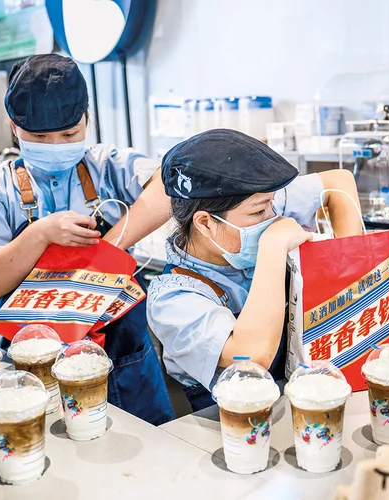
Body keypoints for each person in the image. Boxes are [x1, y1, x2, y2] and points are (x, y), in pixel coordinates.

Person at [0, 54, 174, 425]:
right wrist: (40, 233)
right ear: (14, 127)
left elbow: (169, 190)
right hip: (37, 366)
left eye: (69, 134)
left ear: (87, 121)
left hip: (126, 361)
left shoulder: (107, 165)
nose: (56, 143)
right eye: (40, 137)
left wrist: (109, 249)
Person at [147, 129, 363, 411]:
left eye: (271, 207)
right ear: (204, 223)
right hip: (236, 427)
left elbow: (339, 183)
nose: (271, 218)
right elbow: (253, 356)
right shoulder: (172, 299)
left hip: (309, 399)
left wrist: (348, 270)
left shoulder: (253, 204)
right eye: (259, 213)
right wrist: (272, 246)